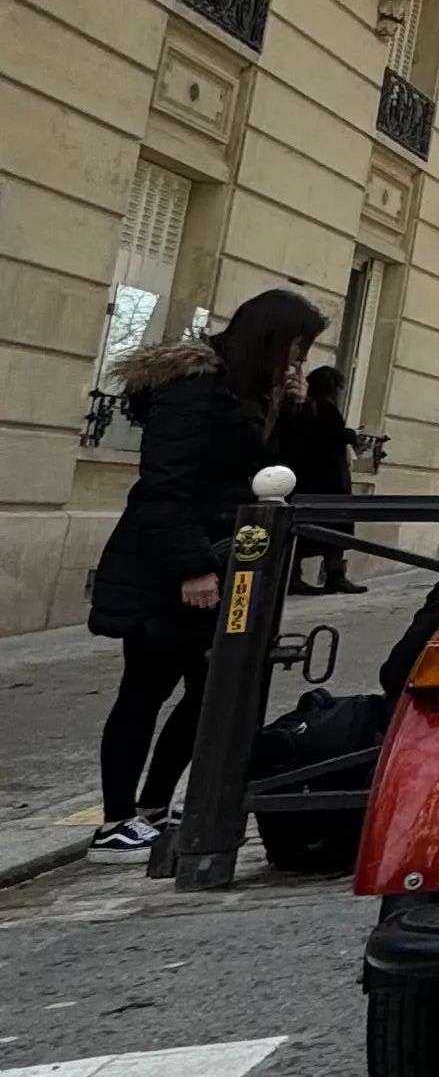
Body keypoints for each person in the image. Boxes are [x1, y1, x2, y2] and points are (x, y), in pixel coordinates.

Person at [86, 284, 325, 856]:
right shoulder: (194, 387)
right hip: (166, 565)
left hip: (225, 559)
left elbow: (272, 475)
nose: (298, 361)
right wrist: (192, 567)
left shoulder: (243, 392)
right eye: (296, 347)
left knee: (211, 689)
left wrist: (293, 411)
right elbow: (163, 487)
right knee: (146, 688)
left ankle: (153, 805)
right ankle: (115, 819)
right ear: (270, 338)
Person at [286, 363, 359, 592]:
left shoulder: (306, 406)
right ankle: (332, 575)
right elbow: (332, 434)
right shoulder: (322, 407)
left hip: (308, 479)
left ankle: (297, 576)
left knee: (310, 529)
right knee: (333, 530)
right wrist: (351, 436)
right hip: (328, 480)